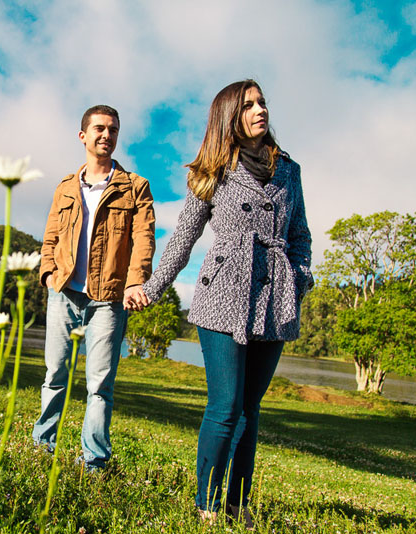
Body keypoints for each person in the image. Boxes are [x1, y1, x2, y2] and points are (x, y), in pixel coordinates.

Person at [127, 80, 313, 527]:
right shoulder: (211, 171)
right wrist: (152, 287)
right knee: (225, 406)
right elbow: (184, 237)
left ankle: (238, 504)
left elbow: (300, 235)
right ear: (230, 114)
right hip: (223, 293)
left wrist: (300, 278)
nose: (260, 109)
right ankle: (206, 506)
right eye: (249, 104)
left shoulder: (289, 170)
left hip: (275, 296)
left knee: (251, 408)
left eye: (262, 102)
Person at [32, 104, 156, 472]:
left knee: (99, 385)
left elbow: (143, 238)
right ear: (83, 135)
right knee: (55, 375)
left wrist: (136, 280)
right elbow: (51, 234)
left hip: (109, 298)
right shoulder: (65, 187)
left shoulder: (135, 187)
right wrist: (47, 273)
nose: (107, 135)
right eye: (99, 128)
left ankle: (94, 462)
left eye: (113, 130)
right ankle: (42, 449)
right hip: (64, 291)